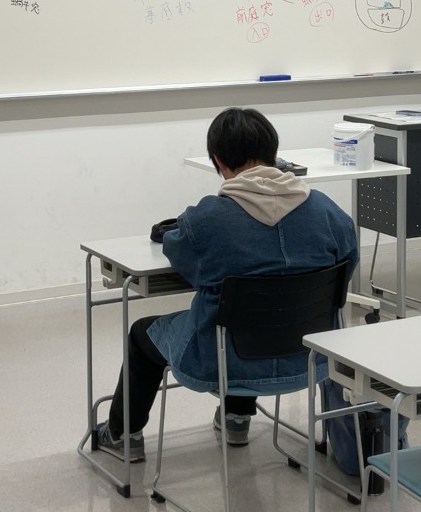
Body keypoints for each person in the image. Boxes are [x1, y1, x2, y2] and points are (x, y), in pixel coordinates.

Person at [95, 108, 358, 460]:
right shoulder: (329, 212)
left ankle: (122, 435)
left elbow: (183, 260)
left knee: (146, 333)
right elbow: (346, 270)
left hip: (222, 365)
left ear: (218, 161)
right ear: (274, 153)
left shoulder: (206, 220)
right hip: (311, 359)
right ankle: (236, 418)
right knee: (260, 314)